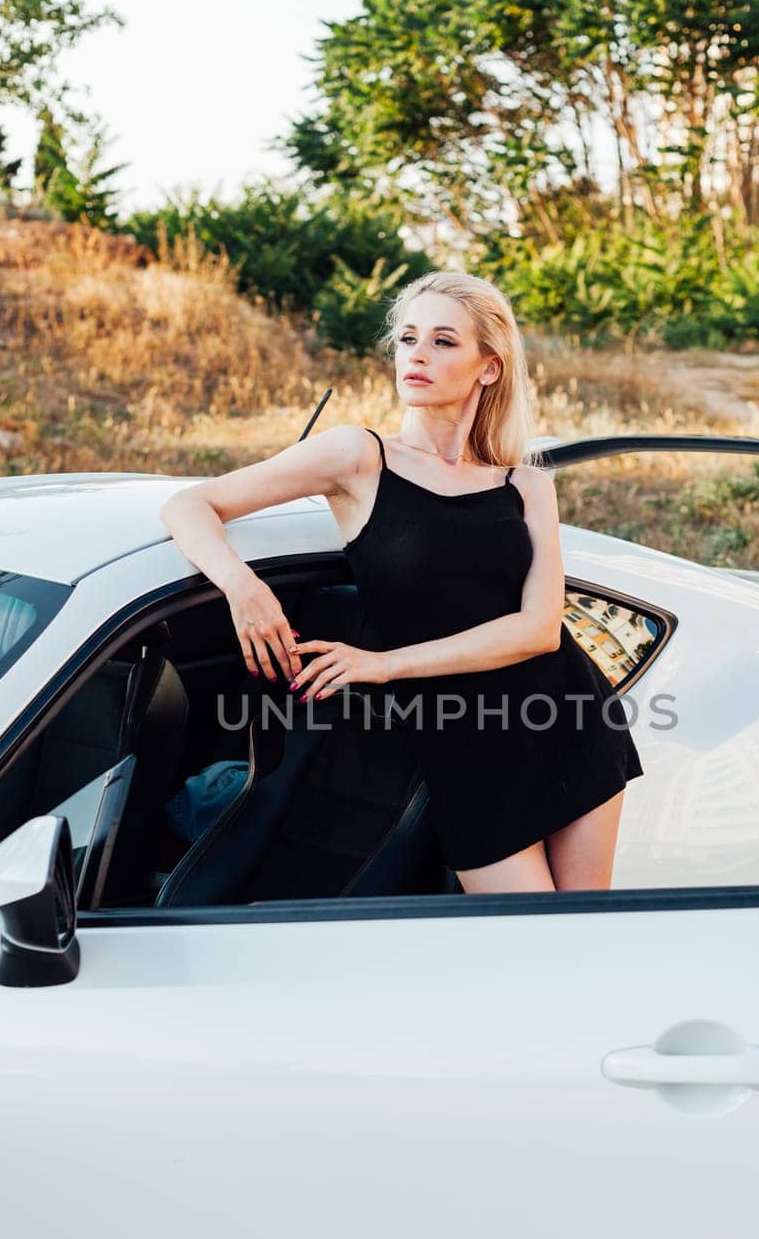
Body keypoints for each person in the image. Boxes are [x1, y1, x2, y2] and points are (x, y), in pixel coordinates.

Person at [159, 269, 644, 894]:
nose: (417, 354)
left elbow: (540, 630)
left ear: (488, 368)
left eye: (444, 341)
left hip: (571, 722)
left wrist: (382, 664)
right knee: (530, 946)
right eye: (408, 338)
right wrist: (244, 587)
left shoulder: (527, 485)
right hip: (465, 749)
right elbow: (190, 506)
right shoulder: (358, 456)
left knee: (583, 938)